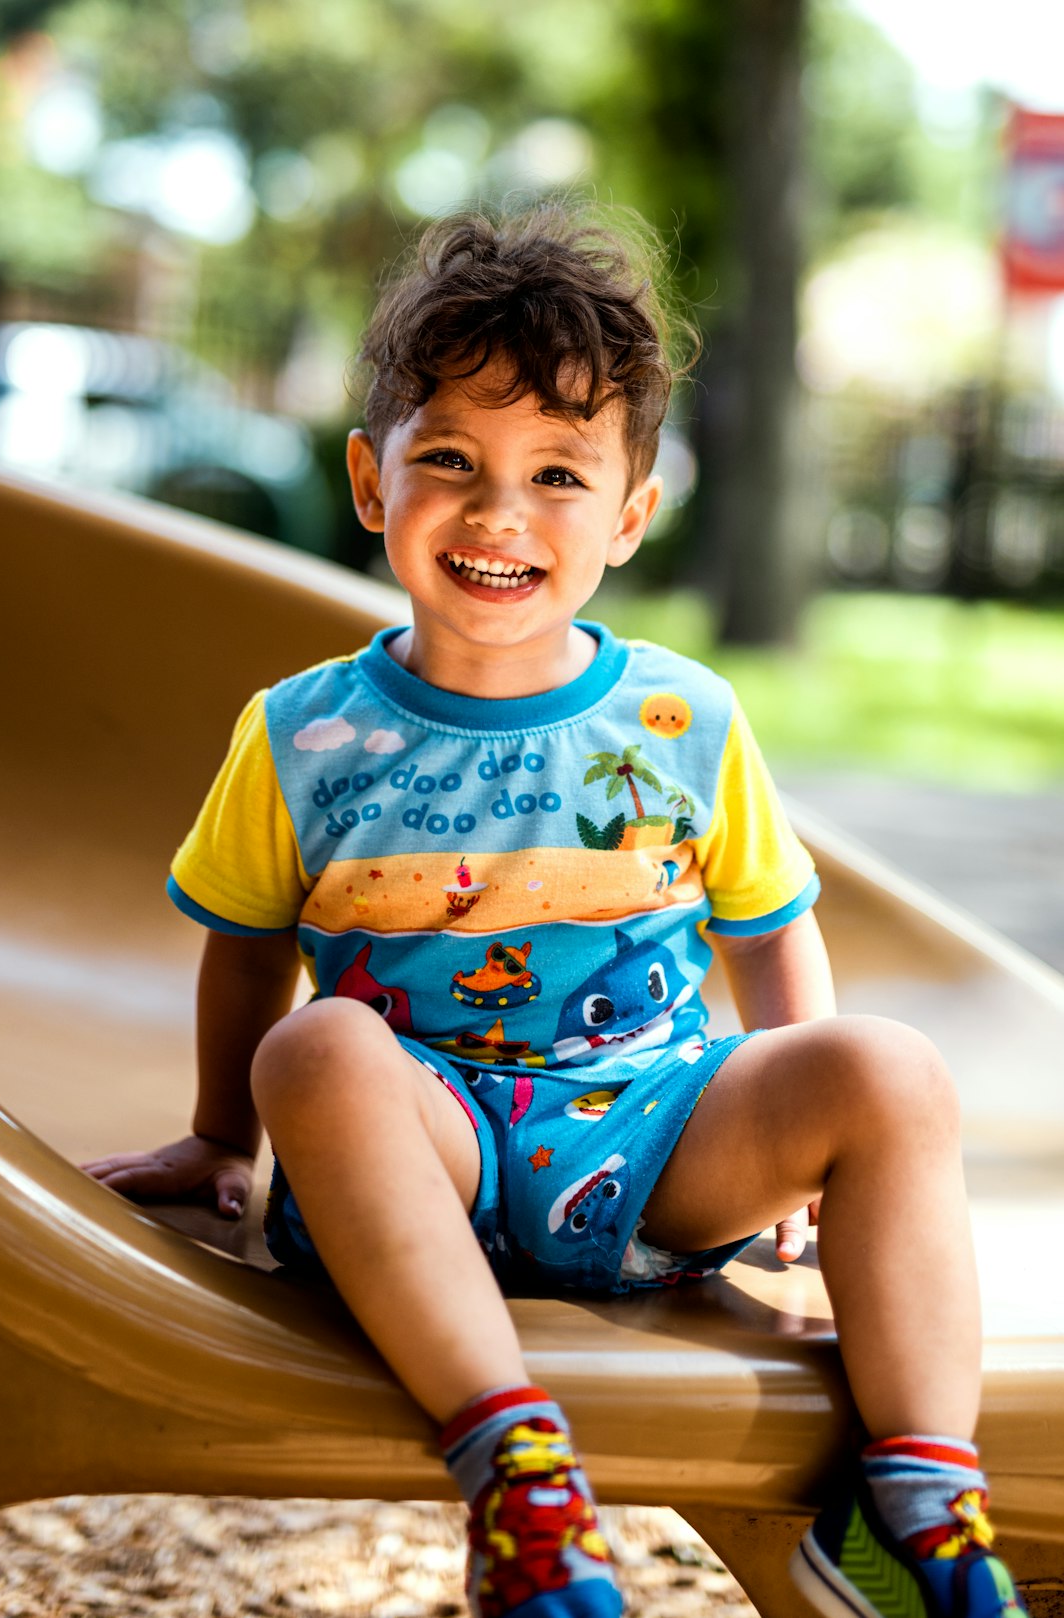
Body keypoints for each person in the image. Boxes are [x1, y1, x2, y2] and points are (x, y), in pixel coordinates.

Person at [83, 204, 1026, 1618]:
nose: (499, 512)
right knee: (315, 1052)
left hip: (657, 1138)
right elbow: (247, 947)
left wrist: (820, 1173)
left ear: (632, 514)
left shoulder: (680, 717)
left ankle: (918, 1500)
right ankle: (521, 1484)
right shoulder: (301, 732)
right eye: (449, 459)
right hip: (433, 1153)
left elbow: (771, 932)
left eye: (560, 474)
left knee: (890, 1069)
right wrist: (226, 1130)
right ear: (369, 476)